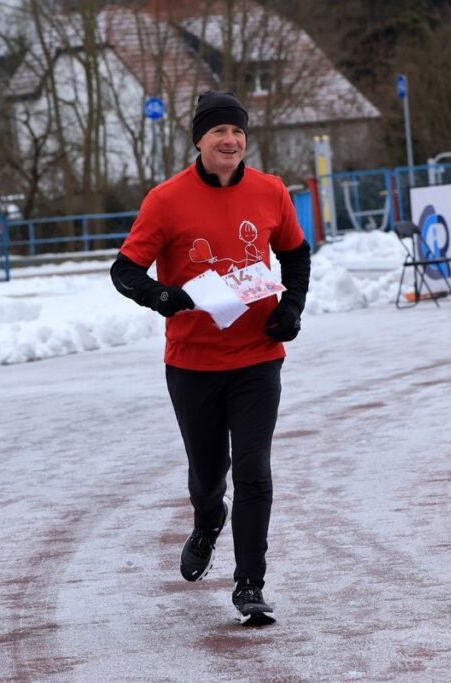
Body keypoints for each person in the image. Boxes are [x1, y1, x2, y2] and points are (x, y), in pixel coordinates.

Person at [110, 91, 310, 626]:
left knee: (254, 471)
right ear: (198, 139)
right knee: (207, 476)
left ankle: (250, 585)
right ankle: (205, 520)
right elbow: (124, 270)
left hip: (257, 357)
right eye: (219, 131)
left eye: (238, 132)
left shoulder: (270, 191)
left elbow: (295, 253)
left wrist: (291, 308)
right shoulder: (166, 200)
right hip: (193, 362)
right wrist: (161, 296)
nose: (230, 140)